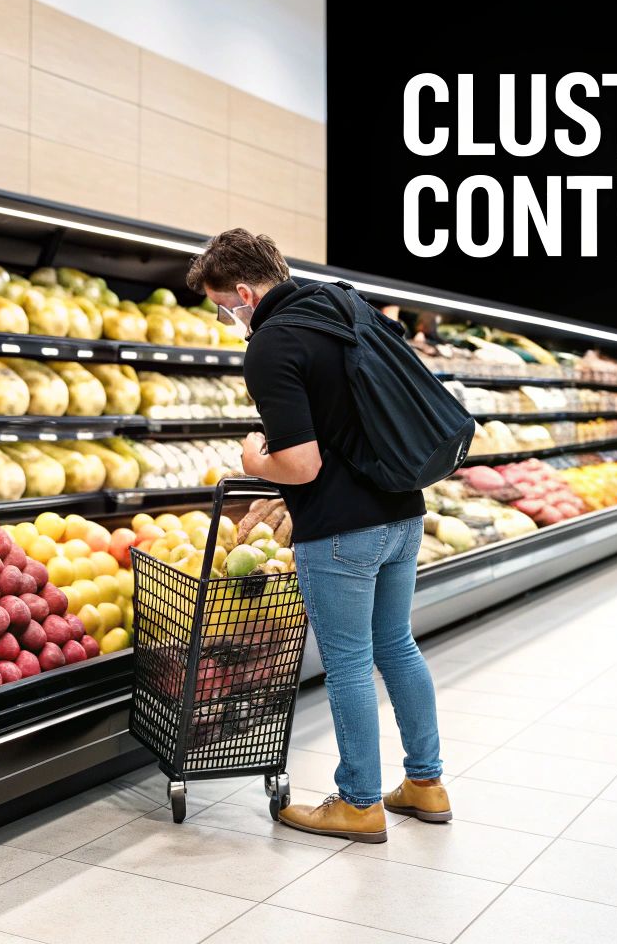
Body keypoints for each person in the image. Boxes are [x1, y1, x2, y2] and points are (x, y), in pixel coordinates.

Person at [187, 228, 447, 843]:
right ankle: (426, 782)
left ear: (245, 293)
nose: (227, 319)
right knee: (397, 647)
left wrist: (255, 461)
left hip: (340, 528)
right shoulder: (345, 305)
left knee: (349, 663)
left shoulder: (272, 343)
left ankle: (358, 802)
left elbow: (301, 466)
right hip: (403, 510)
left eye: (223, 306)